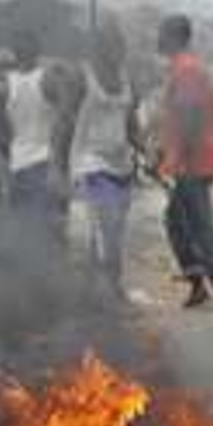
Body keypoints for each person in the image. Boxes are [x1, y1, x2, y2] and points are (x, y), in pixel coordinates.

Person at [157, 14, 213, 307]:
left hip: (193, 161)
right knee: (177, 220)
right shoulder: (184, 68)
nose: (158, 39)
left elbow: (189, 117)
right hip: (192, 159)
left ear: (175, 36)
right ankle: (200, 283)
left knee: (199, 223)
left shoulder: (186, 70)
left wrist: (180, 159)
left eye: (162, 33)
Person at [71, 18, 141, 299]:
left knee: (111, 233)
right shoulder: (82, 77)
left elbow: (131, 123)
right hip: (91, 163)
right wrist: (58, 163)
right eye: (109, 44)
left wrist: (146, 150)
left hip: (122, 165)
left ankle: (92, 287)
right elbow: (65, 121)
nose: (116, 50)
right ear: (99, 48)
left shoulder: (127, 80)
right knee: (107, 227)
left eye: (118, 44)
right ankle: (112, 289)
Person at [0, 30, 70, 258]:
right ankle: (52, 281)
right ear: (37, 51)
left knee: (25, 229)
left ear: (14, 53)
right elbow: (64, 122)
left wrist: (9, 155)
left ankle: (36, 283)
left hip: (19, 165)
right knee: (49, 230)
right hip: (44, 162)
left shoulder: (2, 85)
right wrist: (58, 166)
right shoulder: (49, 79)